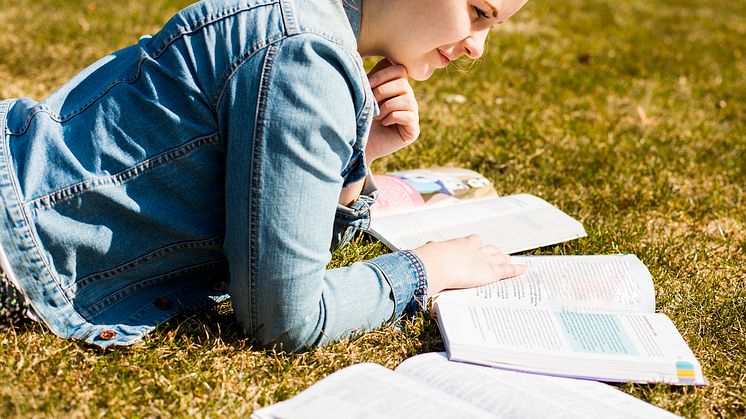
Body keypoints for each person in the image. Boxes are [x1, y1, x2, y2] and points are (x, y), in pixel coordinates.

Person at [0, 0, 529, 350]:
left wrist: (354, 153)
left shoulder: (303, 23)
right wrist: (426, 270)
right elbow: (285, 318)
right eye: (478, 10)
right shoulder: (307, 57)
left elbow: (276, 231)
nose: (477, 47)